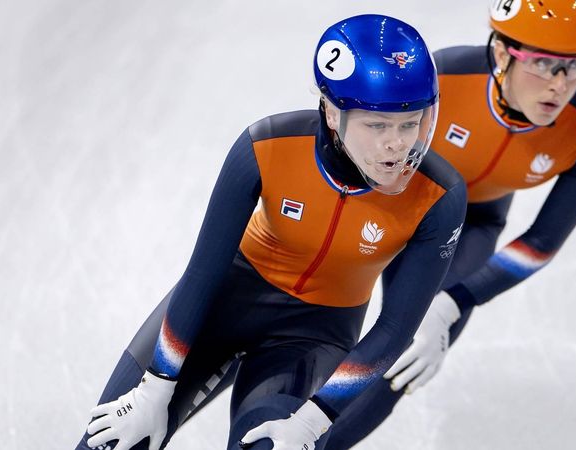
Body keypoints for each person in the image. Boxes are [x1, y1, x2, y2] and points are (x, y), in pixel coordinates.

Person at [76, 14, 467, 450]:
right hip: (225, 301)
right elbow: (202, 274)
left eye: (410, 123)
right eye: (377, 125)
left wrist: (312, 422)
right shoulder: (265, 147)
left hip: (314, 335)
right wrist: (154, 389)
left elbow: (395, 327)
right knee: (109, 446)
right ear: (333, 113)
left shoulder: (439, 196)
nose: (397, 144)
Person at [320, 0, 576, 448]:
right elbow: (351, 142)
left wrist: (451, 303)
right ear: (502, 53)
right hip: (385, 199)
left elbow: (541, 242)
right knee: (299, 312)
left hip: (470, 224)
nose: (560, 86)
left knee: (408, 356)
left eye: (574, 67)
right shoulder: (445, 78)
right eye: (543, 63)